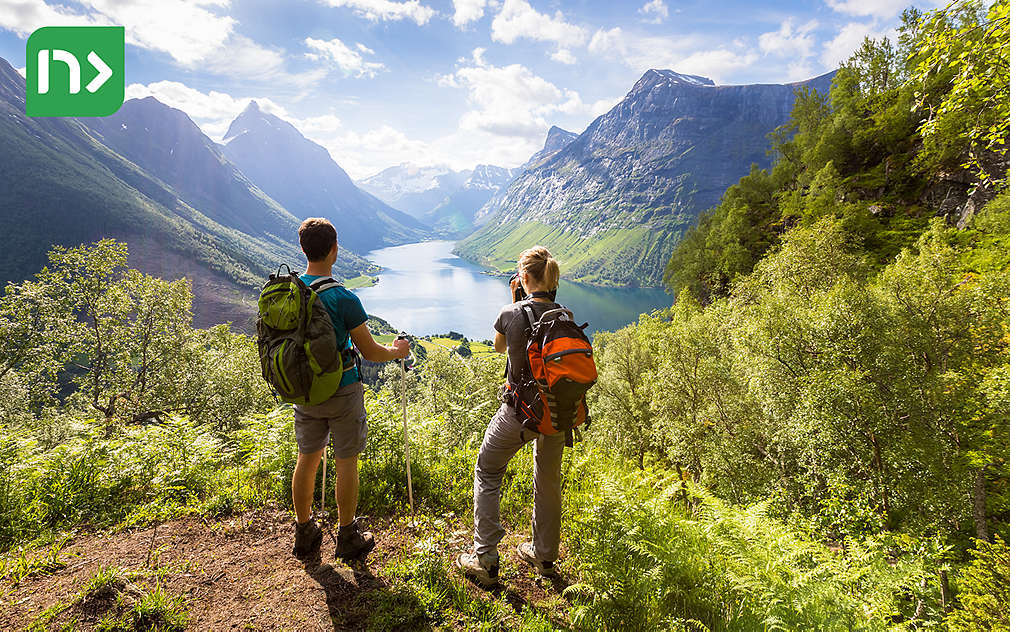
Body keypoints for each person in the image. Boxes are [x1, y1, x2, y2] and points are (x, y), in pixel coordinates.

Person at [291, 218, 410, 560]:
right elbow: (371, 352)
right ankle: (347, 536)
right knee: (346, 463)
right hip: (342, 389)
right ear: (334, 250)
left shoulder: (291, 292)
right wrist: (397, 351)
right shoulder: (344, 297)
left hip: (305, 390)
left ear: (303, 249)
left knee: (307, 459)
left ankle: (304, 531)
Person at [456, 245, 566, 587]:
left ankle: (485, 559)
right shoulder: (565, 315)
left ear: (524, 277)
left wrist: (516, 299)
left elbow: (499, 346)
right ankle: (544, 557)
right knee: (548, 481)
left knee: (488, 470)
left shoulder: (511, 312)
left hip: (519, 412)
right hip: (557, 412)